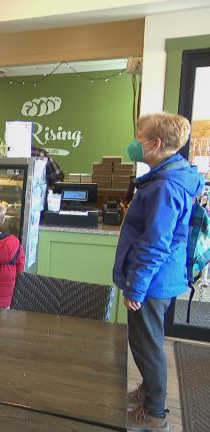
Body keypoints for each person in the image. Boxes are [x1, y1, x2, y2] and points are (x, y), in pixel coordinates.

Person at [113, 112, 201, 432]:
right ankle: (150, 391)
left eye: (139, 138)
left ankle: (155, 413)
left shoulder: (166, 186)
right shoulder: (172, 174)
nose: (135, 143)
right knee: (147, 340)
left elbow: (155, 243)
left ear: (156, 144)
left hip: (153, 280)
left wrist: (136, 286)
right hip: (160, 276)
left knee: (147, 344)